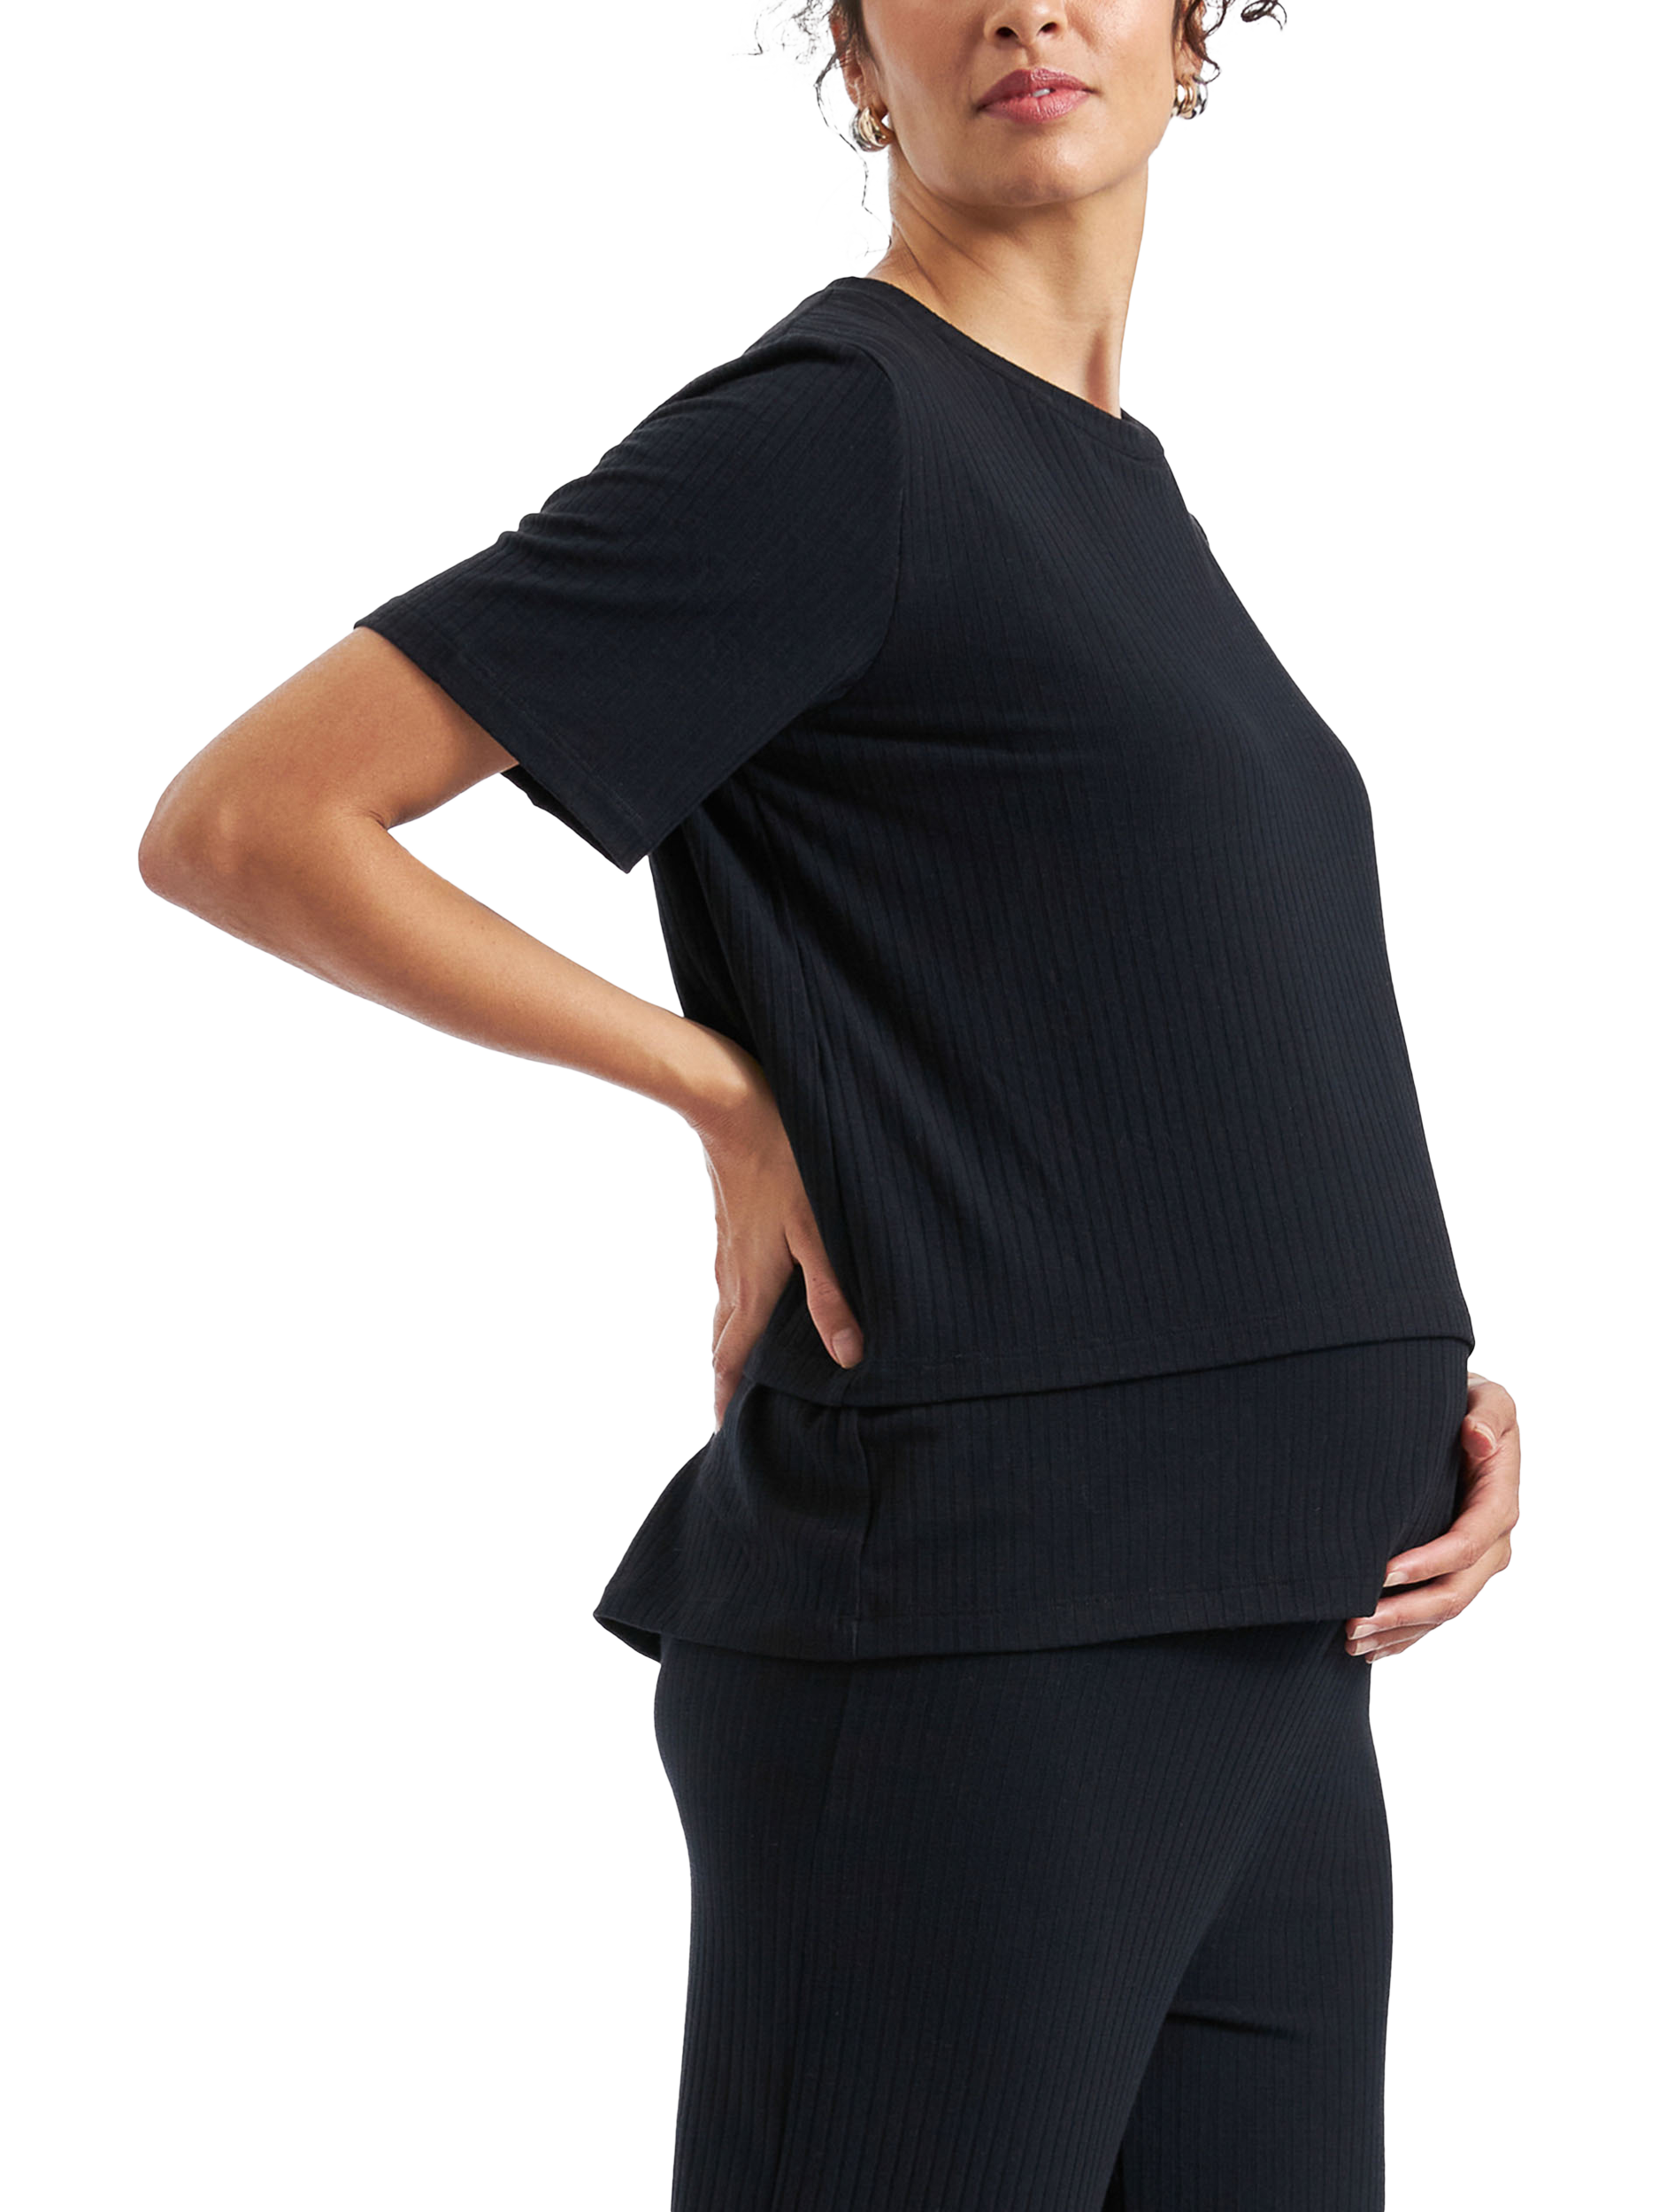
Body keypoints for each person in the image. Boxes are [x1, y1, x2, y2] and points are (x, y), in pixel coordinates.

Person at [138, 2, 1523, 2204]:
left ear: (1192, 25)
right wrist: (722, 1092)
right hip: (984, 1659)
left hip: (1274, 1648)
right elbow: (248, 823)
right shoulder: (841, 434)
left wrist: (1401, 1385)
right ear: (860, 62)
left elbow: (1156, 1032)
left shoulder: (1107, 476)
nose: (1022, 7)